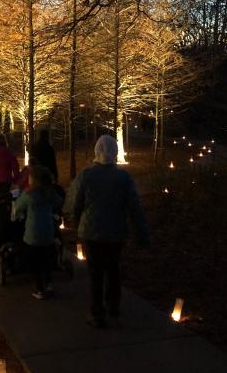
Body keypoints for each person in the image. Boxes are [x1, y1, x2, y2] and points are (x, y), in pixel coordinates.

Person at [65, 134, 149, 327]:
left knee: (95, 273)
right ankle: (113, 307)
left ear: (96, 150)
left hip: (91, 232)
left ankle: (97, 314)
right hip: (116, 233)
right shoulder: (123, 177)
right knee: (113, 270)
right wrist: (142, 233)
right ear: (114, 151)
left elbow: (76, 204)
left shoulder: (86, 175)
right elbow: (134, 207)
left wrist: (77, 224)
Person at [15, 165, 63, 300]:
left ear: (34, 180)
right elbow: (59, 202)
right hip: (48, 232)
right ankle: (48, 283)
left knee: (36, 262)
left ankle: (40, 289)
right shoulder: (50, 193)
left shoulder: (29, 194)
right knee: (46, 259)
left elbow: (19, 206)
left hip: (33, 234)